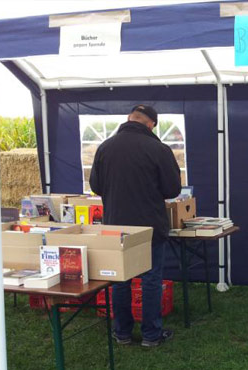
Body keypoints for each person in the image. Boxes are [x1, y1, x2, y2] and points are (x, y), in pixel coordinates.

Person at [89, 104, 181, 347]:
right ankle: (151, 335)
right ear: (151, 124)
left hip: (115, 226)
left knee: (121, 279)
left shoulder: (105, 147)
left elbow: (96, 187)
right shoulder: (158, 149)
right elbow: (173, 190)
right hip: (149, 226)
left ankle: (122, 333)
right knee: (151, 279)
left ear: (130, 118)